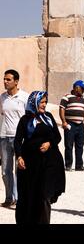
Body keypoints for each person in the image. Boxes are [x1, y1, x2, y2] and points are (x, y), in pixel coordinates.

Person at [14, 91, 65, 224]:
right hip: (30, 164)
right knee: (29, 195)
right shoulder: (25, 120)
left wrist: (49, 143)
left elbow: (57, 137)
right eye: (41, 102)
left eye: (45, 102)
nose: (44, 105)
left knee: (44, 195)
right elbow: (18, 140)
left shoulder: (48, 117)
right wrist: (19, 157)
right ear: (33, 102)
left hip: (49, 162)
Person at [0, 69, 28, 207]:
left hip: (19, 139)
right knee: (5, 171)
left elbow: (29, 119)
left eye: (8, 79)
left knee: (19, 170)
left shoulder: (25, 97)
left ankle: (19, 199)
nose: (5, 81)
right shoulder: (2, 97)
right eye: (4, 79)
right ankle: (9, 198)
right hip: (4, 137)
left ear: (16, 81)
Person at [59, 79, 84, 171]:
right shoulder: (67, 97)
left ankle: (79, 166)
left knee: (80, 146)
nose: (83, 90)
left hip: (80, 126)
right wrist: (64, 121)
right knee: (69, 145)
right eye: (82, 88)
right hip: (70, 124)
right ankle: (68, 165)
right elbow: (62, 109)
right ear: (76, 88)